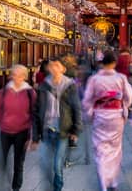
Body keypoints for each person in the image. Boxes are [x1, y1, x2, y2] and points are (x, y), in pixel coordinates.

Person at [82, 51, 132, 191]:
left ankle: (103, 181)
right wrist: (124, 106)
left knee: (100, 148)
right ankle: (113, 181)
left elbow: (87, 100)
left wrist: (89, 113)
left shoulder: (94, 79)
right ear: (114, 63)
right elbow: (129, 97)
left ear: (102, 63)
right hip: (116, 115)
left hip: (100, 115)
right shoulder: (121, 78)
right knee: (115, 148)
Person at [32, 55, 82, 191]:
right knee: (45, 164)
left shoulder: (69, 86)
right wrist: (35, 137)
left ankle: (58, 187)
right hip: (47, 129)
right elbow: (36, 111)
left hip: (63, 130)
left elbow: (76, 108)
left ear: (63, 69)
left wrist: (76, 130)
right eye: (51, 65)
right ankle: (51, 185)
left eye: (57, 66)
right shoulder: (43, 86)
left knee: (57, 164)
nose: (54, 68)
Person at [0, 64, 36, 191]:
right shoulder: (3, 92)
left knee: (18, 163)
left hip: (22, 132)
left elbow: (34, 116)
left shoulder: (30, 93)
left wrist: (32, 136)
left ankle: (16, 187)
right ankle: (3, 184)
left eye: (20, 75)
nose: (16, 78)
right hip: (5, 132)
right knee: (2, 162)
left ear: (24, 77)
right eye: (14, 75)